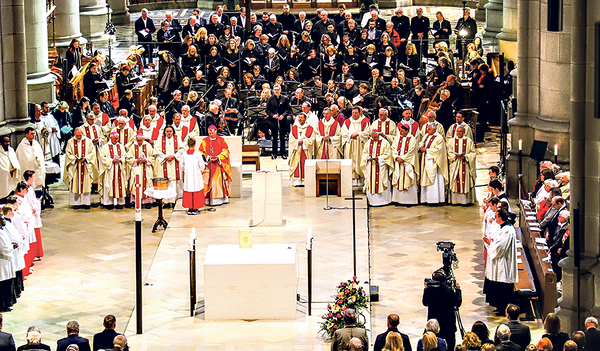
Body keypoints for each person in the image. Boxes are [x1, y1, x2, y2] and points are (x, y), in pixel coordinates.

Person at [483, 209, 518, 314]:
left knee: (502, 286)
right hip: (501, 261)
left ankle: (503, 308)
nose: (495, 217)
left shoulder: (507, 230)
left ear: (500, 218)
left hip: (503, 263)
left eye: (496, 216)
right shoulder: (504, 228)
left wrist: (490, 243)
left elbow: (500, 248)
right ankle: (500, 306)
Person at [423, 269, 462, 350]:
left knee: (430, 344)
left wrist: (425, 289)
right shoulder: (449, 290)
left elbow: (425, 303)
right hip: (448, 322)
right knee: (450, 344)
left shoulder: (429, 290)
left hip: (434, 321)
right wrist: (458, 290)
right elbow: (457, 303)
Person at [198, 125, 232, 206]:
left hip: (218, 165)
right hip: (208, 164)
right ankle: (207, 199)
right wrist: (208, 157)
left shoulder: (221, 140)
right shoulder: (204, 141)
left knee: (218, 182)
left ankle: (220, 199)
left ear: (216, 131)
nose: (211, 132)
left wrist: (218, 157)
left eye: (213, 131)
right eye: (210, 130)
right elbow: (201, 152)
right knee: (207, 181)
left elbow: (226, 151)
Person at [64, 128, 97, 209]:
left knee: (85, 184)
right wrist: (75, 159)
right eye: (77, 135)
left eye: (80, 135)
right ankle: (76, 203)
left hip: (85, 166)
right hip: (75, 166)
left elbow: (92, 152)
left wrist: (85, 158)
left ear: (83, 133)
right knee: (75, 184)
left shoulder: (88, 141)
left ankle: (86, 203)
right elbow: (68, 152)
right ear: (74, 134)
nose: (78, 137)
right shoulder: (70, 141)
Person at [361, 129, 394, 206]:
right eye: (372, 137)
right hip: (371, 166)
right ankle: (372, 201)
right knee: (371, 181)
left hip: (381, 166)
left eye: (375, 137)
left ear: (378, 135)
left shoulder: (385, 142)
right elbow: (364, 153)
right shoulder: (369, 142)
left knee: (381, 181)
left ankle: (384, 201)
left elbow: (388, 154)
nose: (373, 139)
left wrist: (379, 158)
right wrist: (367, 157)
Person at [154, 126, 183, 207]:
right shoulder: (161, 139)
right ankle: (166, 202)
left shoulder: (177, 138)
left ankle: (173, 201)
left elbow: (182, 148)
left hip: (174, 162)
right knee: (166, 182)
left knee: (174, 183)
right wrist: (165, 157)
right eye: (167, 131)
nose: (169, 133)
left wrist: (174, 156)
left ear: (173, 131)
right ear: (165, 132)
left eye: (170, 131)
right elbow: (157, 149)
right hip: (165, 163)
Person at [419, 123, 448, 204]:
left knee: (435, 182)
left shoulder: (439, 138)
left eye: (429, 129)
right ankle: (425, 199)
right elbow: (422, 142)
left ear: (434, 129)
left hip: (434, 162)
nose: (427, 130)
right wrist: (420, 147)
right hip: (426, 161)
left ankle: (436, 199)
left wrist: (427, 150)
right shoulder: (426, 136)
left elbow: (438, 150)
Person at [342, 107, 371, 187]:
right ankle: (350, 182)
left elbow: (367, 132)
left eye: (356, 113)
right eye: (353, 112)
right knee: (350, 161)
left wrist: (358, 134)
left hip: (360, 145)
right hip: (350, 145)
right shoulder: (347, 121)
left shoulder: (365, 121)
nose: (354, 114)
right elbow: (343, 132)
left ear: (359, 113)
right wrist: (351, 135)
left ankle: (361, 181)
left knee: (360, 161)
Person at [447, 126, 476, 204]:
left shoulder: (469, 141)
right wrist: (454, 156)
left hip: (465, 164)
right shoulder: (451, 141)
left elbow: (473, 153)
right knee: (454, 181)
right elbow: (448, 152)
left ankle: (465, 201)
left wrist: (465, 157)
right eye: (457, 131)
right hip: (455, 164)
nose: (458, 133)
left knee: (465, 181)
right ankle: (454, 200)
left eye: (460, 131)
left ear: (464, 132)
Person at [99, 132, 128, 209]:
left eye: (117, 138)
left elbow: (125, 156)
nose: (116, 140)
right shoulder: (105, 147)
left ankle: (119, 203)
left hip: (119, 168)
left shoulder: (121, 147)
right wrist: (111, 160)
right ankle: (109, 203)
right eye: (115, 138)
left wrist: (120, 159)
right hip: (110, 169)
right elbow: (102, 158)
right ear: (111, 138)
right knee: (109, 184)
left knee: (120, 185)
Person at [391, 124, 419, 205]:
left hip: (407, 164)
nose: (400, 132)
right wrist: (396, 158)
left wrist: (402, 158)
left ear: (407, 131)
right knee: (398, 179)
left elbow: (412, 151)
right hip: (398, 163)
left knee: (408, 180)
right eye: (400, 130)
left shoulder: (412, 139)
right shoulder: (397, 138)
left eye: (402, 131)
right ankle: (397, 200)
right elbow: (393, 148)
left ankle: (409, 201)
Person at [126, 133, 155, 208]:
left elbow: (153, 157)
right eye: (138, 140)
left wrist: (146, 160)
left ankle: (147, 202)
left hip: (146, 168)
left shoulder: (148, 146)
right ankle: (137, 201)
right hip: (137, 168)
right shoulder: (133, 147)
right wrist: (136, 160)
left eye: (141, 140)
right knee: (136, 184)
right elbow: (128, 158)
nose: (139, 142)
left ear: (143, 139)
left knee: (147, 183)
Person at [179, 137, 206, 215]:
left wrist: (185, 170)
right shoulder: (198, 154)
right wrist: (202, 169)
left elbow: (181, 165)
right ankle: (195, 208)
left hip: (188, 175)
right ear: (195, 145)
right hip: (196, 175)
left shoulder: (184, 154)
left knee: (189, 189)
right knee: (196, 189)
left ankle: (190, 208)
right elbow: (201, 165)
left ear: (187, 144)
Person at [288, 113, 314, 187]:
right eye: (299, 118)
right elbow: (291, 139)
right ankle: (296, 181)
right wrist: (297, 142)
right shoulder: (294, 128)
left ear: (305, 119)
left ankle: (306, 181)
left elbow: (312, 140)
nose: (300, 119)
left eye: (301, 118)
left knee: (304, 163)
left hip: (305, 150)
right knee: (296, 164)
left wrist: (304, 142)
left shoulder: (310, 128)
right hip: (296, 149)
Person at [266, 84, 291, 159]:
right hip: (273, 120)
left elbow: (288, 109)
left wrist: (283, 115)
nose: (276, 91)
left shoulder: (285, 98)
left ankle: (283, 152)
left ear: (280, 90)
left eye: (278, 89)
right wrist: (273, 115)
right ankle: (274, 153)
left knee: (282, 137)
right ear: (273, 90)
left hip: (282, 120)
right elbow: (267, 110)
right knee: (274, 137)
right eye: (275, 89)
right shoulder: (270, 99)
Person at [16, 127, 45, 192]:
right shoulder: (22, 146)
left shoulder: (36, 143)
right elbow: (22, 159)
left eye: (34, 133)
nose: (33, 135)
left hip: (37, 169)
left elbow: (40, 155)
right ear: (27, 135)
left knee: (37, 188)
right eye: (31, 133)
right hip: (28, 168)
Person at [0, 136, 20, 203]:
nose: (8, 143)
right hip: (3, 176)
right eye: (6, 141)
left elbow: (15, 160)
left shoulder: (11, 150)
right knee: (4, 193)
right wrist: (8, 171)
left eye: (8, 141)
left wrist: (16, 167)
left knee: (12, 192)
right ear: (1, 142)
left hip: (12, 175)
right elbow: (1, 166)